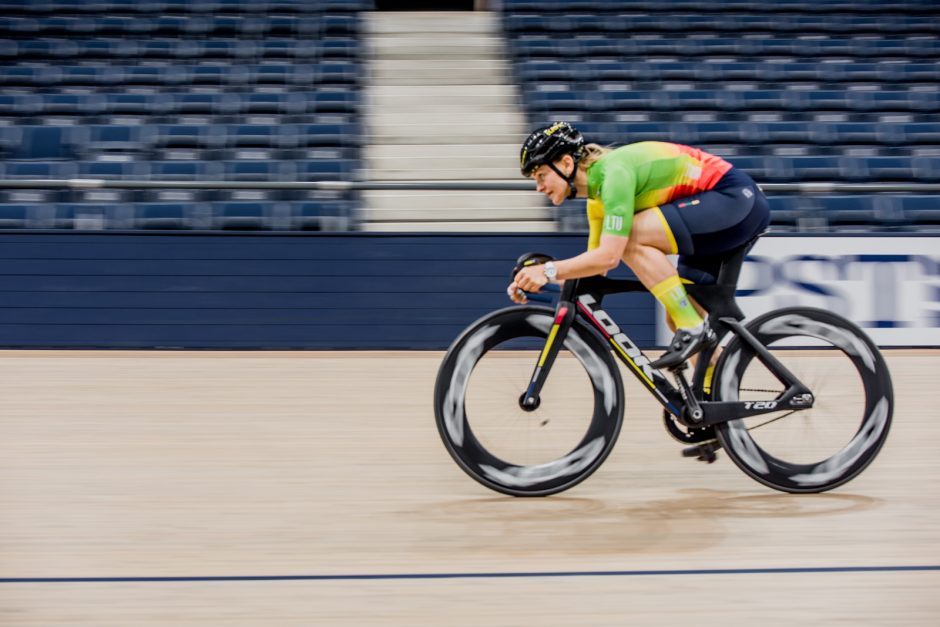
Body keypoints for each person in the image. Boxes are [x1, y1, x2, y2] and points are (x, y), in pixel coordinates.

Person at [509, 121, 770, 368]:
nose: (539, 187)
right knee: (678, 315)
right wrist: (533, 277)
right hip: (721, 209)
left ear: (566, 164)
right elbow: (594, 271)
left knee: (631, 240)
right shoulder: (596, 202)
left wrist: (548, 271)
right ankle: (713, 402)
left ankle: (693, 328)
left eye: (541, 175)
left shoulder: (614, 173)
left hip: (733, 199)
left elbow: (610, 256)